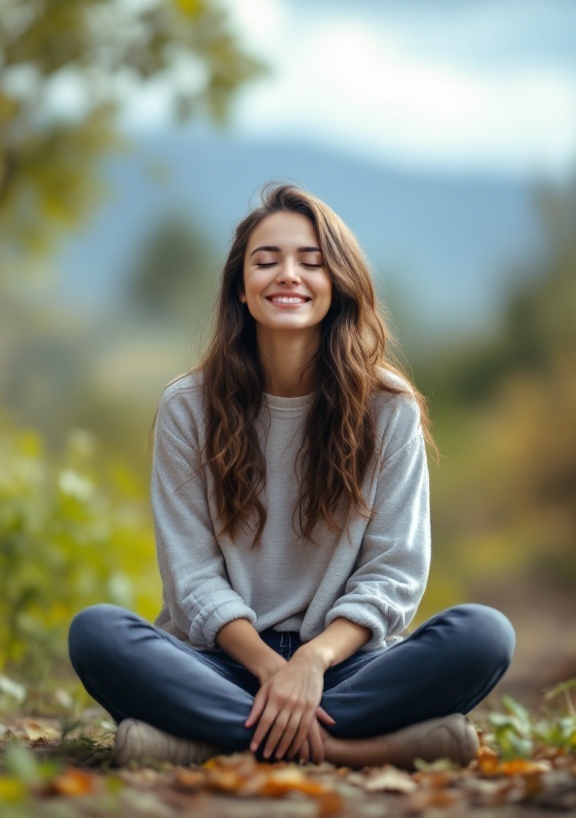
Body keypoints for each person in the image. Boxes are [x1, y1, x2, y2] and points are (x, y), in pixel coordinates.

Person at [69, 183, 515, 770]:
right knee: (97, 633)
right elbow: (193, 579)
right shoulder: (188, 407)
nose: (288, 275)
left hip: (345, 664)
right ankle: (351, 747)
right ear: (240, 289)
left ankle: (211, 739)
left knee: (484, 635)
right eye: (266, 261)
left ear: (339, 284)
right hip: (221, 660)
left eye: (311, 262)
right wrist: (271, 670)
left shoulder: (389, 407)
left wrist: (311, 663)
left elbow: (395, 572)